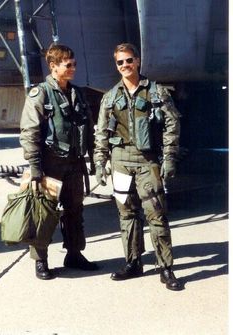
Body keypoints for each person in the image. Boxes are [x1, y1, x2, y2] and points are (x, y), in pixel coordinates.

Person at [94, 43, 182, 290]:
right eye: (120, 62)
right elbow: (101, 133)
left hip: (147, 161)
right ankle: (133, 263)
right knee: (127, 214)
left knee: (156, 214)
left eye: (129, 60)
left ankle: (165, 268)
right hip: (120, 161)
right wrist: (100, 163)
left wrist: (170, 157)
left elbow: (172, 126)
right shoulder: (110, 96)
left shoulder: (157, 92)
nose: (125, 65)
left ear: (138, 61)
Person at [20, 44, 98, 280]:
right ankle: (40, 261)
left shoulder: (78, 93)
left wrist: (93, 157)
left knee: (75, 211)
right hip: (49, 166)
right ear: (53, 66)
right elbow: (29, 132)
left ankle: (74, 254)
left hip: (74, 164)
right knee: (43, 214)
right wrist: (35, 168)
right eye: (68, 64)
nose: (73, 68)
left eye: (74, 64)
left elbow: (89, 128)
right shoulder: (40, 94)